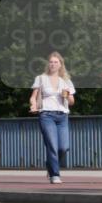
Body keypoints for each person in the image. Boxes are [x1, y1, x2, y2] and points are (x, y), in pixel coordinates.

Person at [29, 52, 76, 184]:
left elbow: (72, 101)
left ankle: (50, 164)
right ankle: (54, 174)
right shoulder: (41, 78)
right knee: (52, 146)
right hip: (46, 115)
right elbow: (33, 96)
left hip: (62, 116)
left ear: (61, 65)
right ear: (48, 64)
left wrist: (66, 96)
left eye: (56, 62)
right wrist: (33, 105)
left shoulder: (66, 81)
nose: (53, 64)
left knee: (63, 147)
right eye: (51, 62)